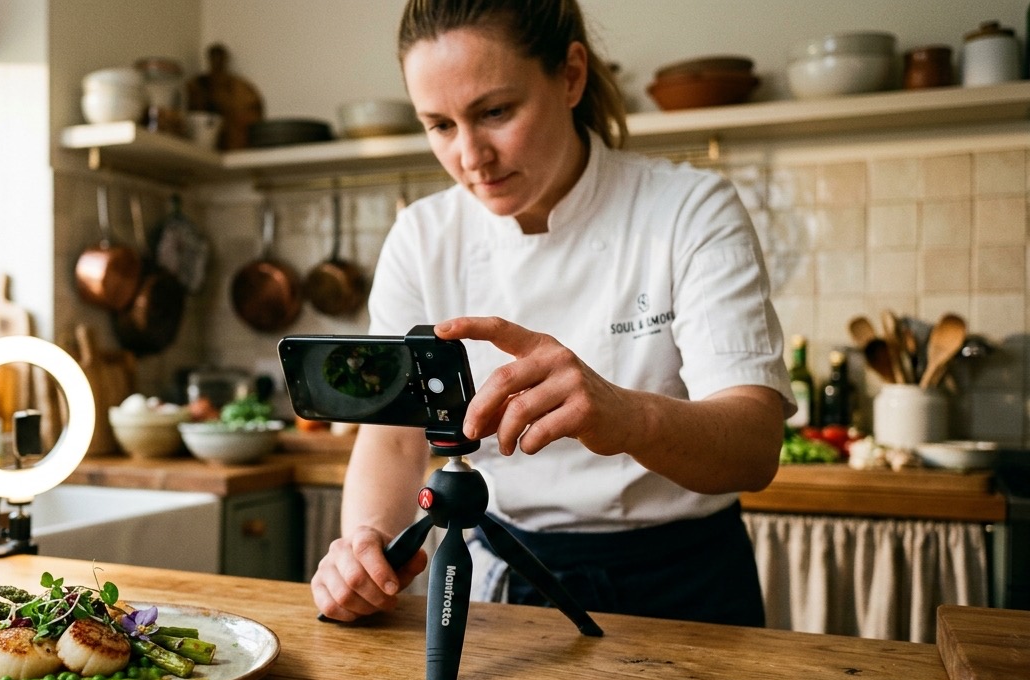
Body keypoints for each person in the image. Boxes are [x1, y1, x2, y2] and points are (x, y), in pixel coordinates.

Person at [310, 0, 794, 628]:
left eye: (495, 112)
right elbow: (397, 435)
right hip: (509, 584)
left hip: (687, 586)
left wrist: (627, 415)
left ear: (570, 76)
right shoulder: (422, 237)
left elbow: (755, 448)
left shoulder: (689, 210)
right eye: (440, 125)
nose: (471, 157)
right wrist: (366, 546)